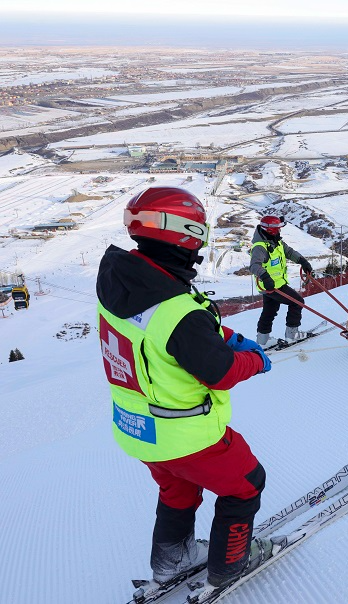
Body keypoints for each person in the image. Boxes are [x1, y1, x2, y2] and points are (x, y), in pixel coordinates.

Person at [96, 187, 272, 591]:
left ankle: (171, 562)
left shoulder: (122, 281)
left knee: (178, 491)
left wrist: (221, 334)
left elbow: (163, 330)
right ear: (186, 233)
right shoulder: (177, 310)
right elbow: (220, 372)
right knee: (247, 485)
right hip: (184, 433)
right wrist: (255, 359)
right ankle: (229, 566)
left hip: (138, 428)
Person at [249, 215, 313, 346]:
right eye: (278, 228)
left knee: (270, 310)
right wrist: (265, 277)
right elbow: (254, 266)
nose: (280, 230)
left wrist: (303, 261)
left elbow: (289, 252)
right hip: (272, 285)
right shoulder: (260, 247)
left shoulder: (275, 242)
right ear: (271, 230)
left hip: (273, 285)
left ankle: (263, 341)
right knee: (297, 302)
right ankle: (292, 334)